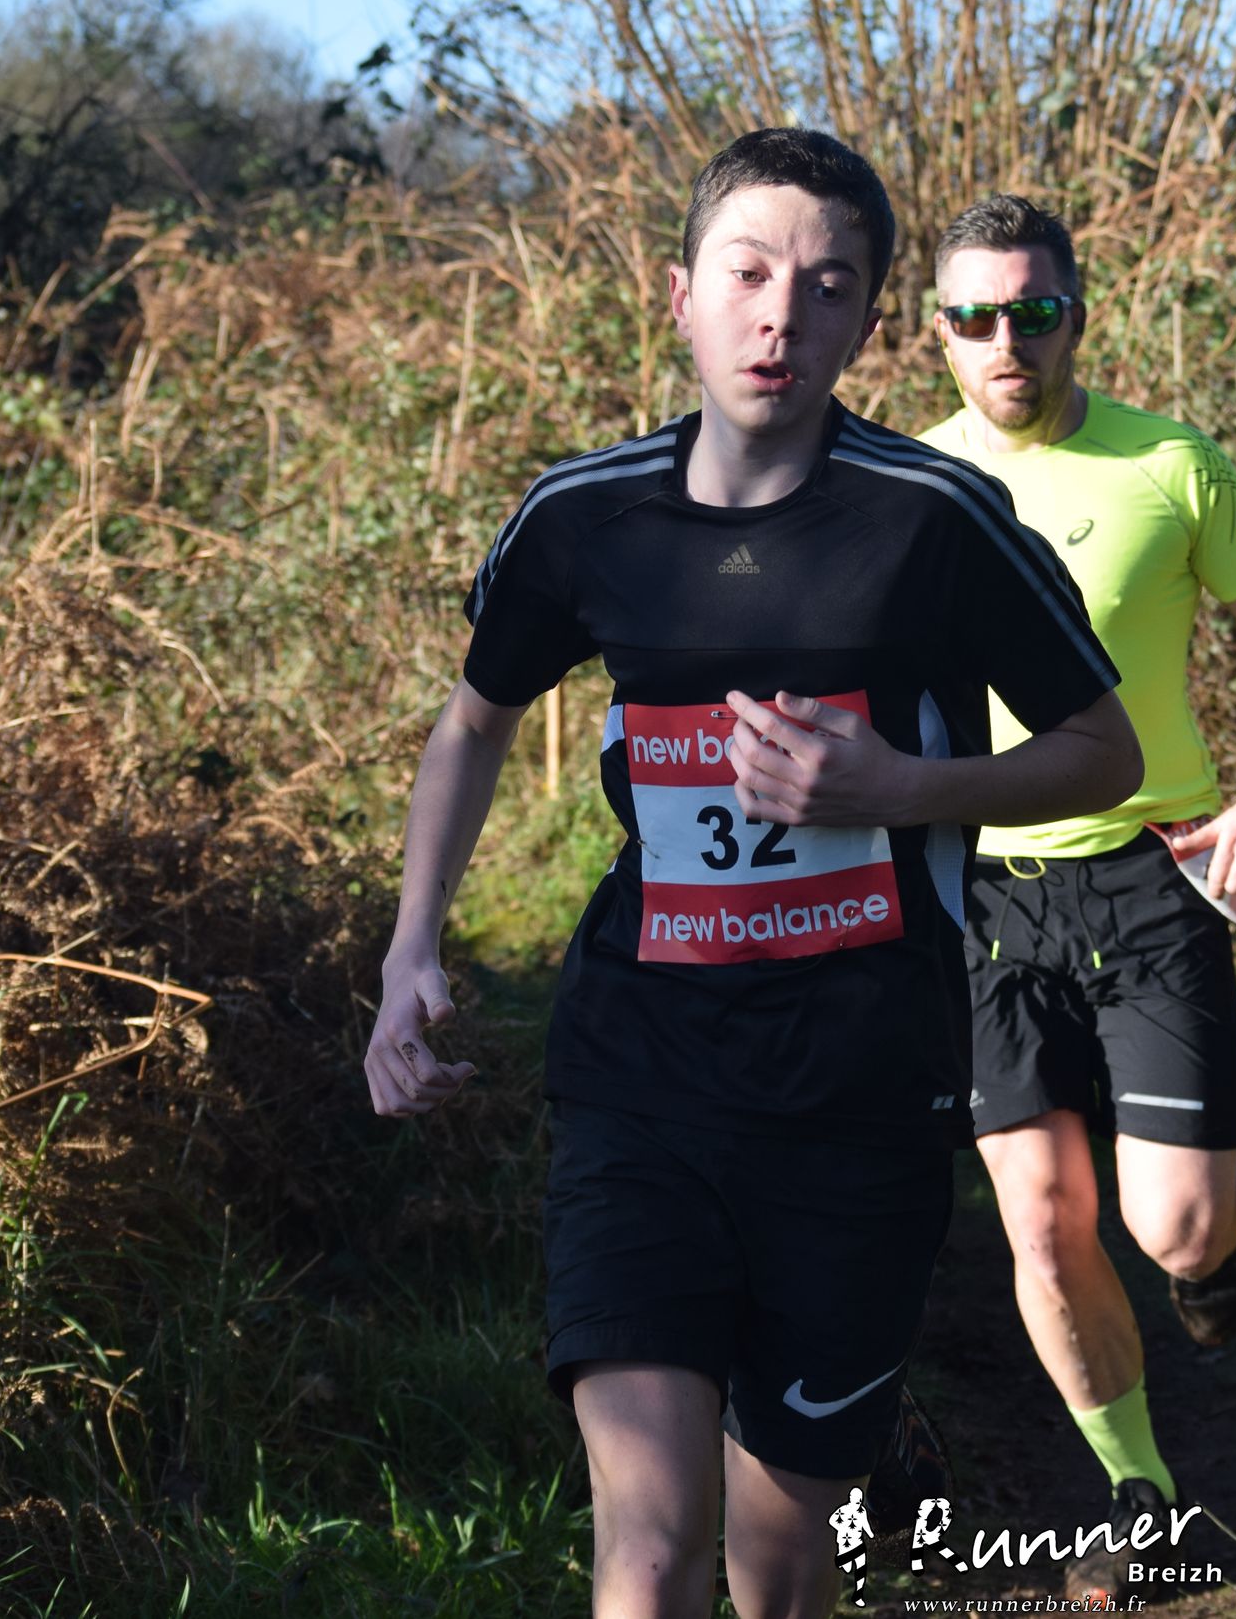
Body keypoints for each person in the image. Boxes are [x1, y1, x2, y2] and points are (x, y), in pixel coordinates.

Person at [360, 136, 1139, 1619]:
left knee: (774, 1572)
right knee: (649, 1554)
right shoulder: (586, 516)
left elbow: (1107, 752)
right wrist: (412, 951)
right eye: (750, 273)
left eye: (828, 286)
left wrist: (898, 790)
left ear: (868, 324)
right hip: (641, 1076)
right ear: (682, 295)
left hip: (863, 1095)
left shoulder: (935, 517)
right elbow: (473, 722)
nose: (782, 313)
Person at [919, 195, 1236, 1602]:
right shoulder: (905, 488)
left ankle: (1232, 1218)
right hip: (983, 896)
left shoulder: (1171, 465)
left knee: (1175, 1228)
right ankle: (1137, 1491)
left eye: (1034, 312)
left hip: (1154, 877)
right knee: (1045, 1222)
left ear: (1077, 318)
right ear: (937, 333)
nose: (1008, 341)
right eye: (976, 316)